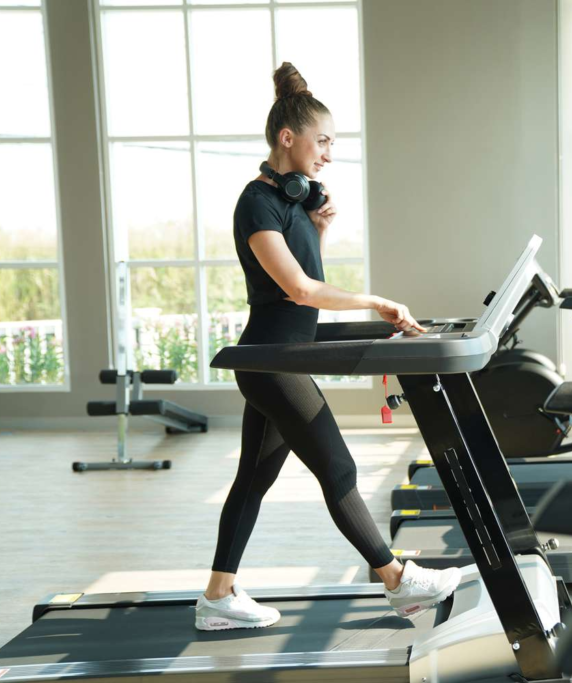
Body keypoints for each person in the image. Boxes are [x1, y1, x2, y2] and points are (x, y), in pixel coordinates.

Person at [194, 63, 460, 631]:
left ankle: (218, 596)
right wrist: (374, 301)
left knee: (252, 480)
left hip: (284, 354)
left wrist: (318, 230)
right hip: (271, 361)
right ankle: (399, 582)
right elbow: (296, 290)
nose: (329, 155)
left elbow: (303, 292)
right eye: (324, 141)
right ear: (288, 139)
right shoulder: (256, 204)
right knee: (337, 468)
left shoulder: (293, 204)